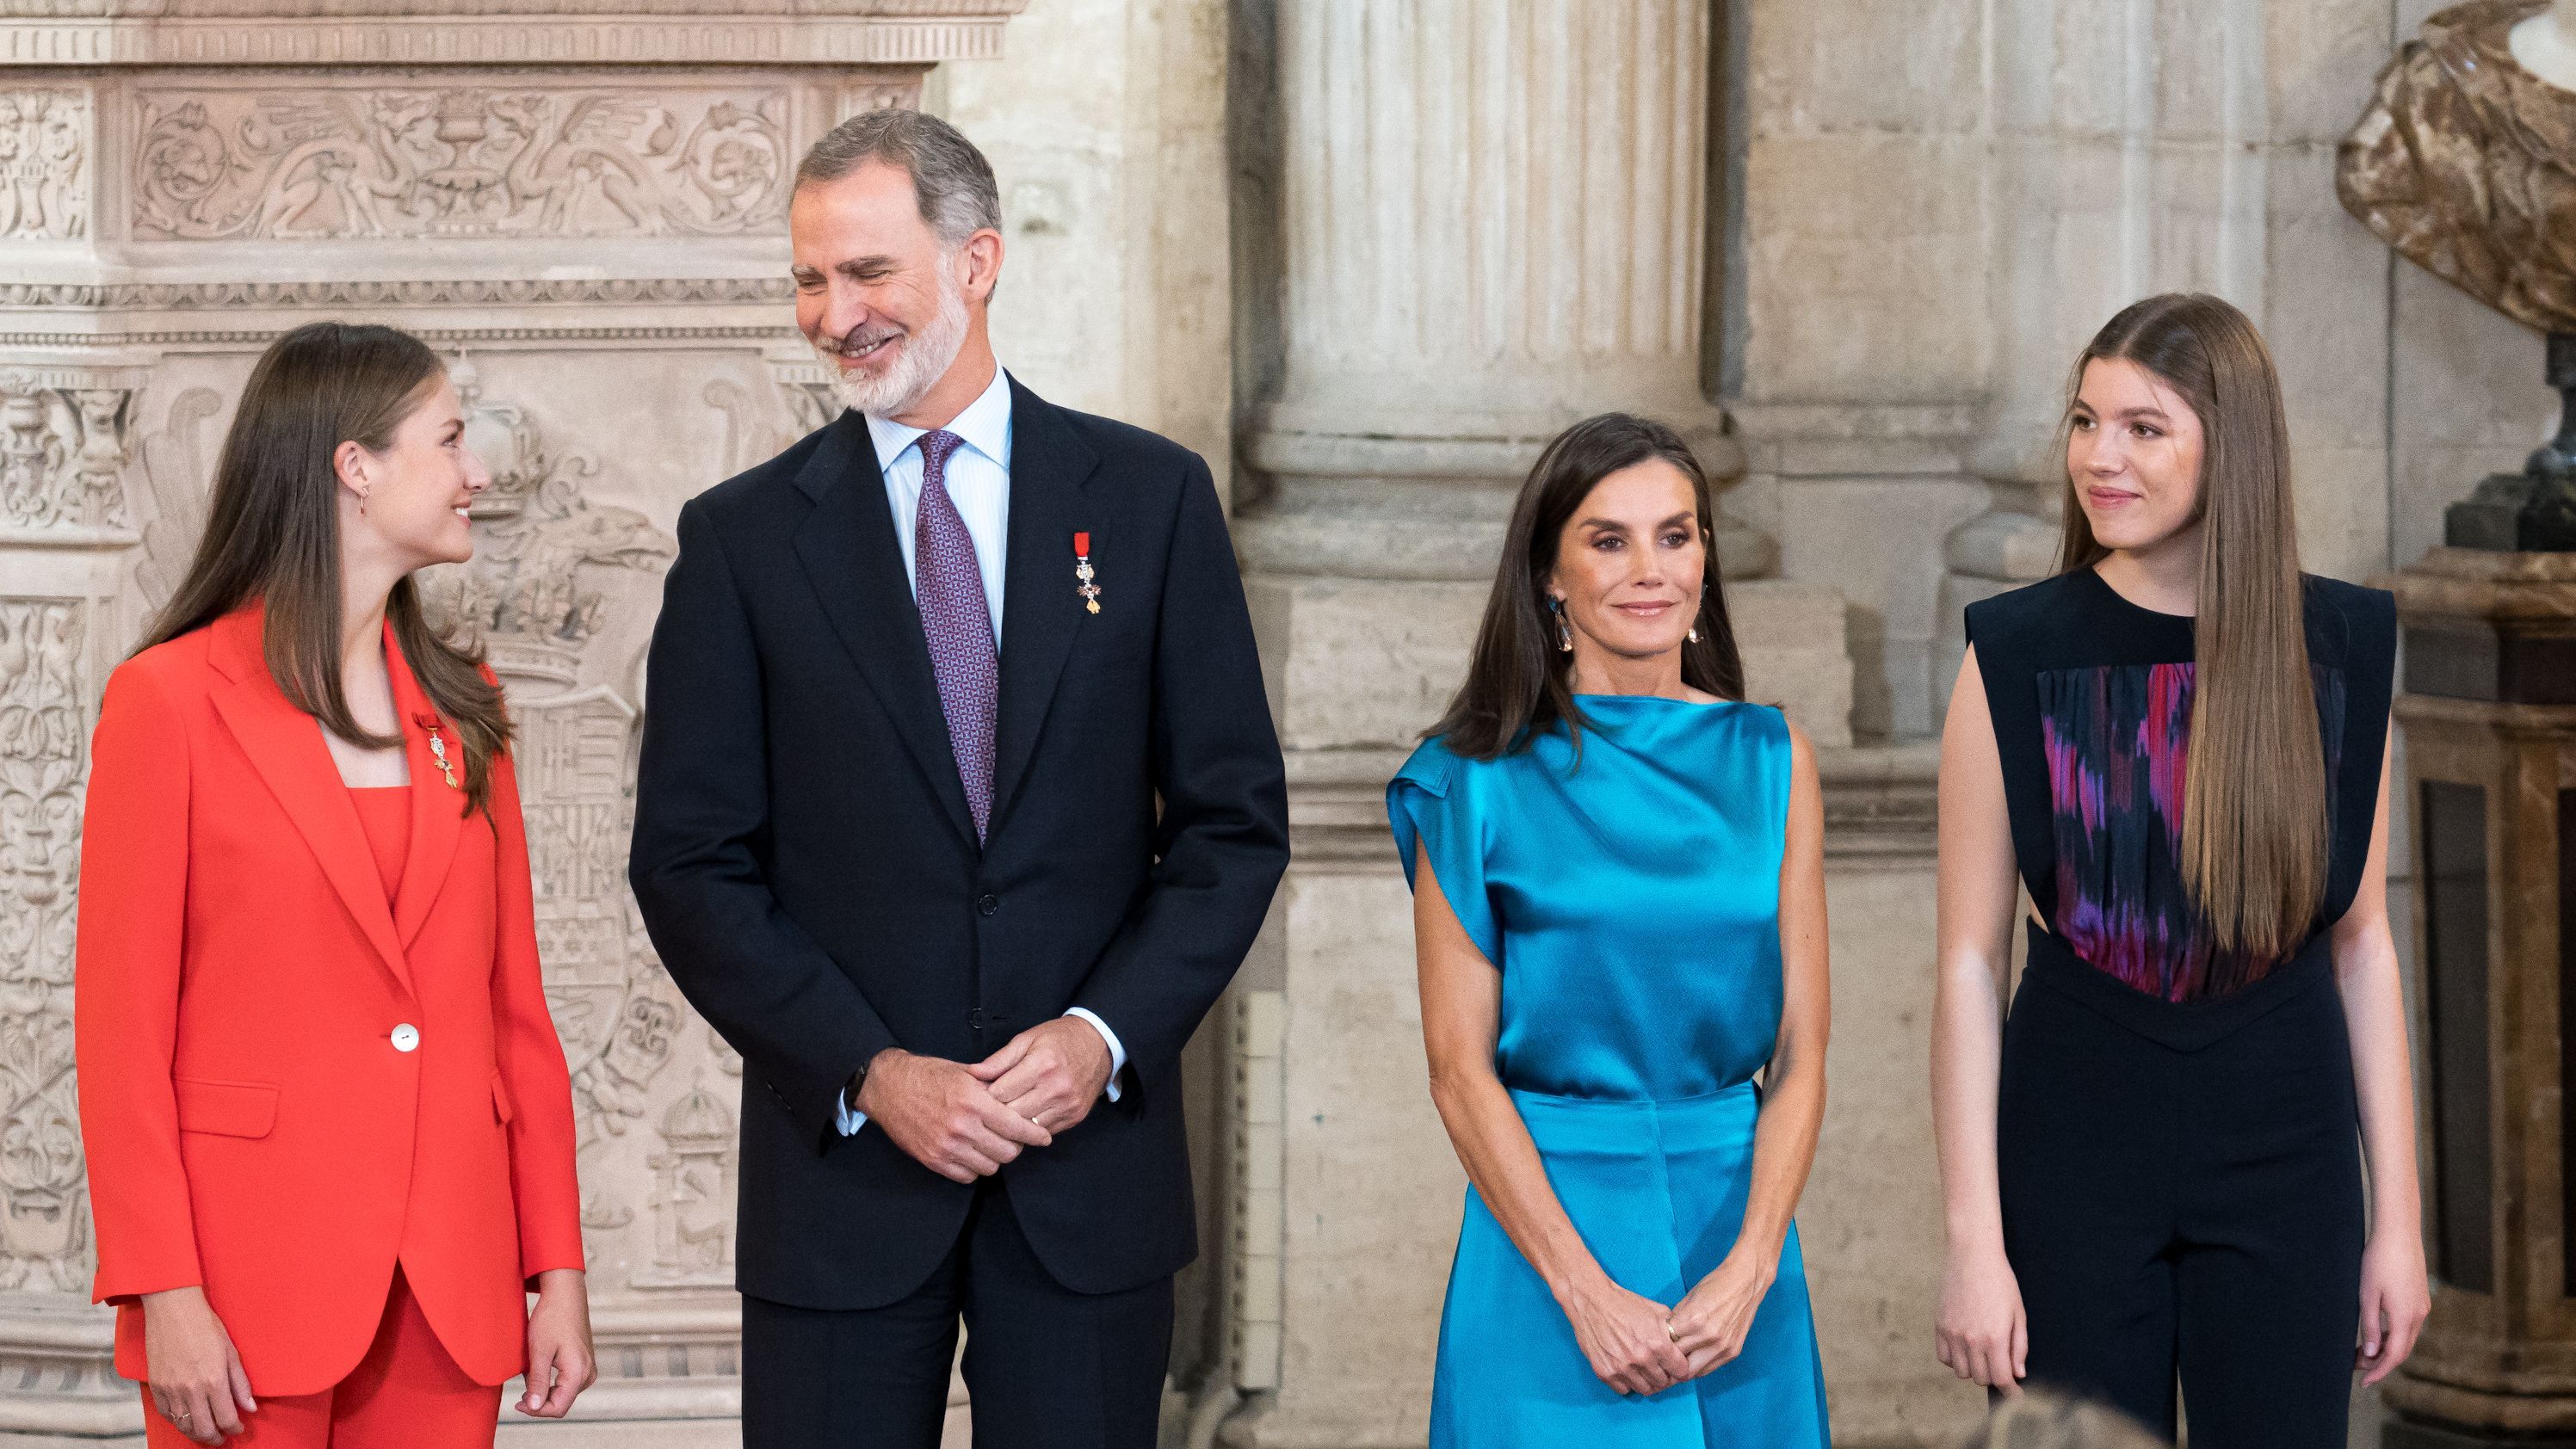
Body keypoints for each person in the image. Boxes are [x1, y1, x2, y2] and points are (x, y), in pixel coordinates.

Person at [627, 109, 1288, 1449]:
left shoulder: (1153, 501)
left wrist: (1097, 1040)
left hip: (1087, 1187)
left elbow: (1231, 829)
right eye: (809, 277)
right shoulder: (742, 541)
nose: (834, 313)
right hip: (845, 1190)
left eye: (869, 272)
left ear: (977, 260)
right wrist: (870, 1069)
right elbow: (689, 864)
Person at [75, 322, 596, 1448]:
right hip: (241, 1291)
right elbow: (121, 1038)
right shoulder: (168, 703)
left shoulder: (473, 707)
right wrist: (163, 1289)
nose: (478, 473)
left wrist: (557, 1266)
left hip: (449, 1286)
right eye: (450, 440)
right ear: (352, 466)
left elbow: (518, 1019)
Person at [1929, 293, 2430, 1445]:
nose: (2098, 458)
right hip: (2069, 1152)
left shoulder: (2341, 650)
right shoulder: (2009, 654)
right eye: (2084, 420)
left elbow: (2361, 947)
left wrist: (2395, 1227)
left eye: (2143, 428)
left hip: (2288, 1156)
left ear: (2231, 447)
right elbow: (1966, 959)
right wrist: (1972, 1241)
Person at [1390, 413, 1833, 1447]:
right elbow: (1458, 1072)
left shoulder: (1774, 758)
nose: (1650, 569)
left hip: (1738, 1252)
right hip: (1545, 1249)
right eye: (1608, 539)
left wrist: (1752, 1265)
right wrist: (1582, 1289)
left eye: (1675, 536)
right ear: (1548, 573)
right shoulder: (1470, 781)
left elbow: (1804, 1054)